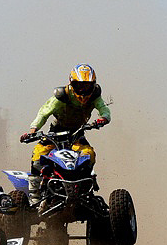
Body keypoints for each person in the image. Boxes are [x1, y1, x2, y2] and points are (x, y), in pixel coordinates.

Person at [20, 63, 111, 207]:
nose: (83, 90)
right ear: (72, 83)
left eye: (87, 86)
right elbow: (44, 113)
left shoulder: (94, 96)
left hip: (77, 133)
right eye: (79, 85)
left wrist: (103, 118)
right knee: (38, 155)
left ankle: (86, 187)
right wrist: (33, 130)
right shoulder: (62, 96)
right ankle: (35, 196)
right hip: (55, 133)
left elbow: (104, 110)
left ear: (93, 85)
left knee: (89, 154)